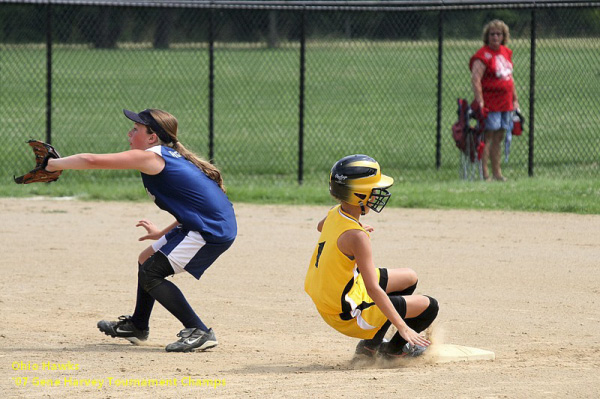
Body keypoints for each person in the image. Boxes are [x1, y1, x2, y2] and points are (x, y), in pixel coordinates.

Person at [46, 108, 237, 352]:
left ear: (152, 137)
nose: (129, 133)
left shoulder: (151, 157)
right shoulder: (165, 155)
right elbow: (197, 205)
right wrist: (162, 233)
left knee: (151, 274)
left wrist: (53, 164)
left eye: (136, 129)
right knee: (145, 258)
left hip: (210, 231)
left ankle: (199, 330)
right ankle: (138, 325)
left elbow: (91, 160)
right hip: (201, 223)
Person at [304, 155, 438, 359]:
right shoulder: (357, 237)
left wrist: (352, 231)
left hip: (334, 299)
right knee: (430, 306)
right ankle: (394, 351)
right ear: (359, 195)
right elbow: (373, 289)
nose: (377, 194)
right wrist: (403, 327)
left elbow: (321, 227)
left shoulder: (336, 213)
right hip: (347, 315)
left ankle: (370, 346)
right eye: (373, 191)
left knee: (410, 277)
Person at [470, 19, 519, 181]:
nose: (495, 37)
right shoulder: (482, 55)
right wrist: (480, 101)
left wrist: (515, 100)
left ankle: (497, 173)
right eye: (492, 34)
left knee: (499, 137)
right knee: (487, 137)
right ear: (487, 36)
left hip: (506, 104)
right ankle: (485, 173)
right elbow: (476, 79)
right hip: (490, 104)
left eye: (499, 34)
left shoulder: (506, 52)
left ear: (504, 36)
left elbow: (509, 78)